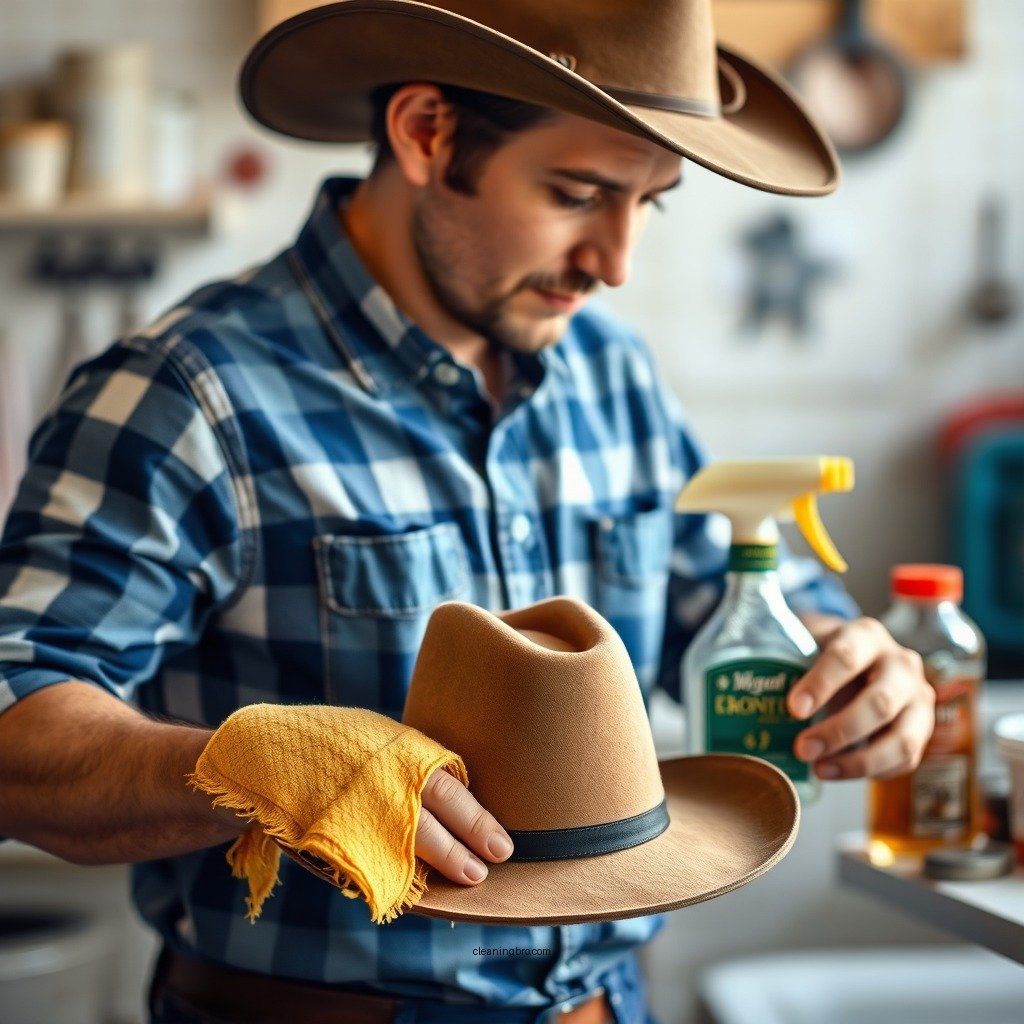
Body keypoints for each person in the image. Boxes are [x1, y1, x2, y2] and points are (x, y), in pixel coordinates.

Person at [0, 3, 935, 1022]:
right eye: (576, 193)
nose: (614, 261)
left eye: (648, 204)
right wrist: (236, 766)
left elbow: (733, 606)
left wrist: (851, 664)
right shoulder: (190, 395)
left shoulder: (610, 375)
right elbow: (16, 721)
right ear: (426, 133)